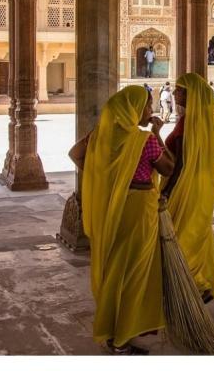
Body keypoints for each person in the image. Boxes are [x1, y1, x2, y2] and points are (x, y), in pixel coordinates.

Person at [69, 85, 174, 355]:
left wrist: (106, 176)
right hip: (138, 208)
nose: (150, 111)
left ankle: (110, 328)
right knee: (134, 270)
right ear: (134, 110)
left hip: (112, 206)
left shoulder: (102, 136)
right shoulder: (144, 141)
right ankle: (121, 339)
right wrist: (157, 133)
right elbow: (168, 168)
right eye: (147, 106)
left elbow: (76, 154)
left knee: (115, 266)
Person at [163, 73, 214, 303]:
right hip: (204, 186)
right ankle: (203, 281)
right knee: (197, 232)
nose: (174, 93)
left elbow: (179, 163)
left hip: (186, 186)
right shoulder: (207, 120)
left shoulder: (187, 124)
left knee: (182, 235)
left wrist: (167, 190)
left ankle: (194, 284)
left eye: (179, 90)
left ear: (190, 94)